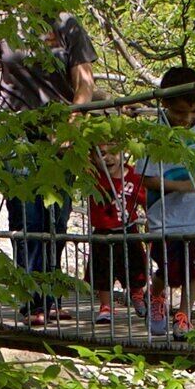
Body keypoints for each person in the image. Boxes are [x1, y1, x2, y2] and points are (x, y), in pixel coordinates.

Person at [0, 0, 91, 322]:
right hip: (12, 130)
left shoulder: (67, 24)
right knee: (27, 214)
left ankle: (50, 297)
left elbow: (84, 82)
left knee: (57, 215)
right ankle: (32, 301)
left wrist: (73, 121)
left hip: (60, 130)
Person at [135, 64, 195, 337]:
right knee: (168, 270)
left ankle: (184, 315)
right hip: (165, 215)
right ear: (165, 105)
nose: (188, 118)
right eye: (181, 113)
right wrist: (180, 186)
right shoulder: (153, 135)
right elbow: (143, 179)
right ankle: (156, 298)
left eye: (194, 111)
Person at [84, 135, 147, 325]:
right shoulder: (93, 175)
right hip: (103, 230)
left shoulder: (134, 175)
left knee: (136, 265)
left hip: (128, 228)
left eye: (113, 152)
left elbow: (145, 201)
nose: (109, 158)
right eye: (102, 154)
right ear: (93, 158)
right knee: (102, 270)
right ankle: (105, 306)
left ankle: (137, 294)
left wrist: (152, 220)